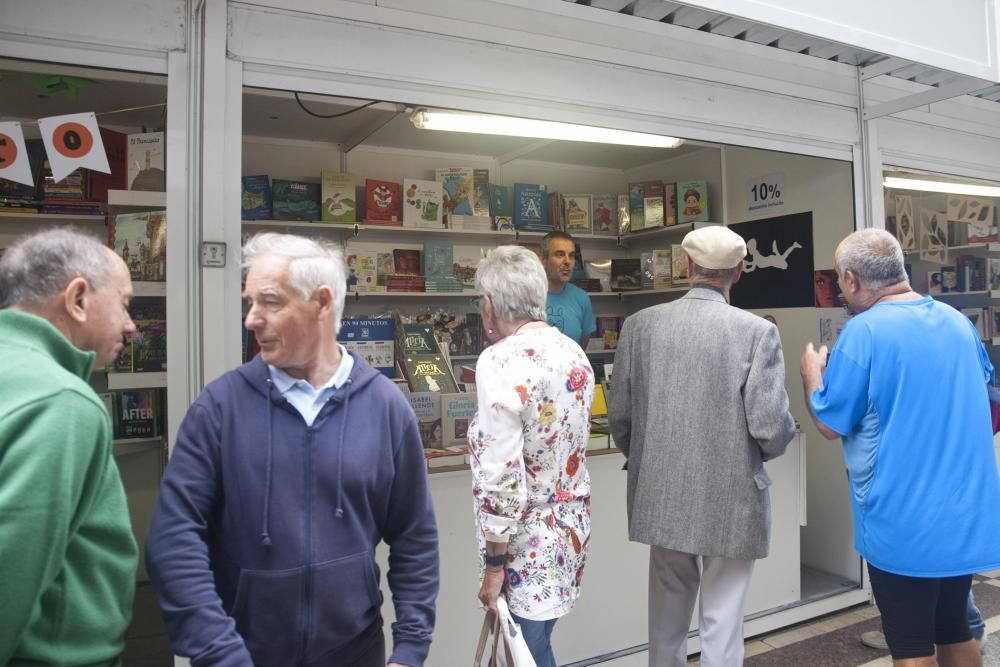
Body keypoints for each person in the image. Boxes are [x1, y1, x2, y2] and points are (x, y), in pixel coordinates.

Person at [145, 233, 439, 666]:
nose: (251, 319)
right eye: (250, 302)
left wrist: (410, 651)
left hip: (355, 652)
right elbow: (173, 538)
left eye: (269, 302)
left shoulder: (386, 408)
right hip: (243, 654)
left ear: (322, 303)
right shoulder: (220, 407)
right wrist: (218, 651)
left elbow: (414, 538)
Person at [801, 228, 1000, 667]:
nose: (837, 288)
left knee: (911, 648)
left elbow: (830, 424)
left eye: (838, 279)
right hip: (961, 514)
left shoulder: (864, 333)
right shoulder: (958, 323)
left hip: (903, 522)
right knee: (954, 628)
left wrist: (812, 373)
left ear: (853, 279)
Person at [608, 225, 796, 667]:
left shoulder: (639, 326)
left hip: (661, 489)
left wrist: (649, 457)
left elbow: (620, 417)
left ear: (688, 267)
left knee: (666, 613)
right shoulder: (756, 332)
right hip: (732, 494)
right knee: (723, 618)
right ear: (739, 271)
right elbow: (770, 427)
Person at [0, 228, 138, 664]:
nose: (131, 325)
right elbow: (12, 561)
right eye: (124, 303)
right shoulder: (62, 401)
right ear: (77, 299)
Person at [471, 245, 594, 667]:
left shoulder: (499, 361)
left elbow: (501, 475)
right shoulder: (574, 352)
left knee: (525, 650)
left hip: (523, 542)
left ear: (488, 307)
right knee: (532, 645)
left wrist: (493, 565)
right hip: (570, 530)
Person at [542, 231, 595, 348]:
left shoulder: (581, 298)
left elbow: (580, 350)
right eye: (560, 254)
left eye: (571, 255)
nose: (567, 261)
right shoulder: (527, 297)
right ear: (544, 260)